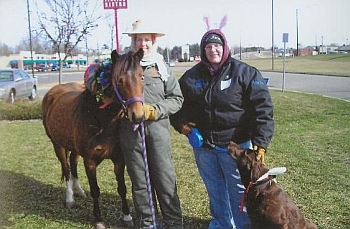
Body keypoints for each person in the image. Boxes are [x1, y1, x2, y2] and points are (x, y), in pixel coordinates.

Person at [170, 29, 274, 229]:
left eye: (217, 45)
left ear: (225, 47)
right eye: (208, 46)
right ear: (203, 50)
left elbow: (263, 109)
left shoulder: (246, 73)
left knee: (239, 191)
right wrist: (181, 124)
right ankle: (222, 224)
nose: (213, 50)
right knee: (215, 190)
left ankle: (244, 225)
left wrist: (261, 143)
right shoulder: (191, 77)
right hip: (204, 148)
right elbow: (177, 104)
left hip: (236, 147)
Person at [120, 20, 184, 229]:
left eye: (147, 40)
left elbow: (176, 98)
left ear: (153, 41)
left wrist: (155, 110)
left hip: (157, 133)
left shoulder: (162, 67)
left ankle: (174, 223)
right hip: (130, 135)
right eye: (139, 40)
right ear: (133, 41)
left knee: (165, 180)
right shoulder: (123, 65)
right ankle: (147, 224)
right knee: (140, 183)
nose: (143, 44)